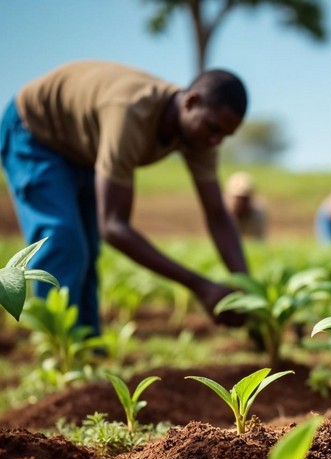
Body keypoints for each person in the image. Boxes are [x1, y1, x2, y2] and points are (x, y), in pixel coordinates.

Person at [0, 60, 250, 335]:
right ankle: (61, 348)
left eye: (226, 135)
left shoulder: (202, 137)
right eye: (213, 129)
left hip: (81, 147)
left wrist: (249, 293)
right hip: (34, 131)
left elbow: (217, 214)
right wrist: (201, 286)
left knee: (86, 250)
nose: (217, 142)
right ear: (191, 101)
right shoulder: (130, 113)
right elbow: (114, 227)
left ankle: (86, 347)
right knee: (63, 240)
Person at [224, 171, 267, 241]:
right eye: (237, 198)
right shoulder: (221, 212)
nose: (240, 202)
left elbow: (258, 241)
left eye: (244, 198)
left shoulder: (258, 212)